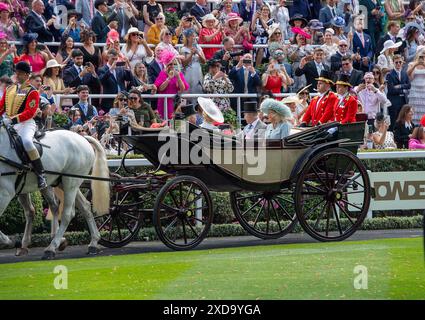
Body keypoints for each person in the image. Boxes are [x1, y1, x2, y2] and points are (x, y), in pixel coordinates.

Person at [0, 61, 46, 188]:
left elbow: (30, 112)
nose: (17, 75)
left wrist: (12, 120)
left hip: (25, 123)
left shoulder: (32, 92)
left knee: (26, 142)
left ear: (27, 75)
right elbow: (1, 107)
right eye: (16, 72)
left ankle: (40, 173)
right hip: (8, 123)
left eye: (19, 73)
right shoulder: (9, 89)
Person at [154, 49, 189, 120]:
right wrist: (168, 79)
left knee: (176, 123)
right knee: (164, 122)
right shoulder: (163, 73)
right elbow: (160, 88)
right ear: (166, 65)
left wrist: (178, 77)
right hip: (164, 102)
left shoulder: (179, 74)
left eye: (174, 64)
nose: (172, 66)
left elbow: (183, 89)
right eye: (170, 64)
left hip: (175, 102)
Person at [181, 28, 206, 103]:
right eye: (192, 36)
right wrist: (191, 54)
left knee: (198, 90)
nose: (194, 38)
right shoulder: (183, 49)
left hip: (197, 71)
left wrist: (198, 53)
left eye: (195, 36)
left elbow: (204, 61)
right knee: (188, 91)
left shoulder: (199, 47)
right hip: (188, 72)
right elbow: (184, 64)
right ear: (188, 38)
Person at [386, 54, 410, 130]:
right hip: (394, 101)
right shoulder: (389, 75)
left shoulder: (404, 73)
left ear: (402, 62)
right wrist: (403, 88)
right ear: (393, 63)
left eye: (400, 62)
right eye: (396, 62)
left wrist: (399, 86)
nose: (398, 64)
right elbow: (391, 89)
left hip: (403, 100)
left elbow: (409, 85)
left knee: (403, 119)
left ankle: (402, 136)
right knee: (394, 120)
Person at [407, 50, 425, 123]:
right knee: (414, 109)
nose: (422, 57)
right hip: (414, 89)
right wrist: (415, 65)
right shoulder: (412, 64)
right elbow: (410, 76)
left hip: (423, 89)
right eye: (421, 55)